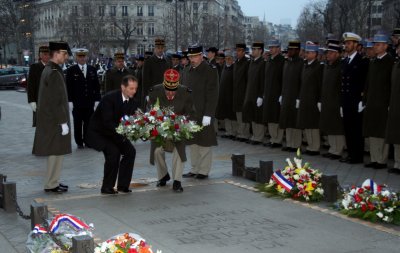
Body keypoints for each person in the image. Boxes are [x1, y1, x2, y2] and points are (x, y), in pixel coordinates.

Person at [86, 75, 139, 194]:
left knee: (130, 152)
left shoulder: (134, 102)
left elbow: (132, 120)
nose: (134, 91)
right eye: (131, 88)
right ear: (123, 87)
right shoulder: (109, 98)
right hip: (100, 133)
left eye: (135, 88)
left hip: (116, 133)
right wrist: (123, 132)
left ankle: (123, 185)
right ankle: (107, 187)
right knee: (113, 153)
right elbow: (107, 122)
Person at [33, 41, 72, 193]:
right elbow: (56, 101)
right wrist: (63, 122)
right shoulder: (53, 72)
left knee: (57, 152)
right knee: (55, 153)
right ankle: (50, 184)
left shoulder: (51, 69)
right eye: (64, 53)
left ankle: (53, 181)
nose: (66, 56)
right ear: (56, 53)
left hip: (51, 119)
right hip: (55, 120)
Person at [148, 69, 194, 192]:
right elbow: (150, 111)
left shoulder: (186, 92)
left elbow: (190, 113)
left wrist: (183, 121)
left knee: (179, 152)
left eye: (173, 91)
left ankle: (177, 181)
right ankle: (163, 175)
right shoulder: (154, 91)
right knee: (157, 151)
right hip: (161, 128)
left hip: (178, 128)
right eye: (167, 90)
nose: (170, 94)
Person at [181, 45, 219, 179]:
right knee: (192, 142)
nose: (192, 59)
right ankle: (194, 168)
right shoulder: (186, 70)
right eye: (190, 56)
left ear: (201, 56)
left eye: (195, 56)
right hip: (190, 113)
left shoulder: (209, 70)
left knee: (204, 142)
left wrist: (209, 114)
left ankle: (203, 170)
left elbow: (212, 94)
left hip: (203, 112)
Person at [362, 34, 394, 169]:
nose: (375, 46)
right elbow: (368, 82)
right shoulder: (373, 61)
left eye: (378, 44)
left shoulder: (390, 61)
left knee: (381, 132)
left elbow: (391, 84)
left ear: (386, 46)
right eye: (375, 44)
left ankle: (382, 160)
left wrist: (389, 103)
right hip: (372, 101)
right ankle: (374, 158)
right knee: (373, 131)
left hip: (383, 102)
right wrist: (364, 99)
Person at [340, 32, 369, 164]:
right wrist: (342, 103)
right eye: (346, 43)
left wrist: (362, 100)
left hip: (356, 100)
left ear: (356, 45)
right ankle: (351, 154)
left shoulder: (362, 61)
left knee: (356, 130)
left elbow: (365, 82)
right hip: (346, 100)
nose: (346, 45)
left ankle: (357, 156)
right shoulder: (345, 60)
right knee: (348, 129)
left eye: (349, 43)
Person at [66, 49, 101, 149]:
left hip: (89, 102)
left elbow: (96, 86)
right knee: (77, 123)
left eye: (83, 56)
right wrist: (70, 101)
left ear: (87, 57)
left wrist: (97, 99)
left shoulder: (92, 69)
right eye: (80, 56)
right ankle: (79, 142)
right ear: (76, 58)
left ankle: (88, 141)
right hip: (77, 103)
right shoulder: (71, 70)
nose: (82, 58)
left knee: (89, 123)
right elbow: (68, 87)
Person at [319, 41, 346, 159]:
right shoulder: (328, 66)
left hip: (336, 100)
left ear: (337, 54)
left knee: (337, 127)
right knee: (329, 125)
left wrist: (341, 103)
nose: (328, 55)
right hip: (327, 99)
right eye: (327, 52)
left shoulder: (341, 66)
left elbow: (342, 86)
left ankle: (338, 150)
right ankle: (332, 148)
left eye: (331, 53)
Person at [297, 42, 323, 155]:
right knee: (307, 123)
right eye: (306, 52)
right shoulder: (305, 65)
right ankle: (310, 145)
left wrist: (319, 100)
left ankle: (315, 147)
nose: (306, 54)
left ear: (315, 54)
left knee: (313, 124)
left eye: (308, 52)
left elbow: (320, 84)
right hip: (305, 98)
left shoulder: (318, 67)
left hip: (313, 99)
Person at [279, 41, 304, 152]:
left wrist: (299, 97)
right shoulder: (287, 62)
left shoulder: (301, 63)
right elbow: (283, 80)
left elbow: (302, 82)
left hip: (295, 96)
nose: (289, 51)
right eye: (289, 49)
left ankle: (296, 145)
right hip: (286, 95)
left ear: (298, 51)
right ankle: (289, 143)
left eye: (292, 49)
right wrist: (282, 94)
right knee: (287, 120)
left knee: (295, 122)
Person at [262, 39, 285, 148]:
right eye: (270, 47)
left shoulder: (282, 61)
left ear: (278, 48)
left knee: (276, 117)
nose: (270, 49)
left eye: (273, 47)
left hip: (277, 93)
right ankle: (273, 138)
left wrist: (282, 93)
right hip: (269, 93)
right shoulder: (269, 61)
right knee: (270, 117)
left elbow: (283, 79)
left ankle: (278, 140)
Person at [242, 42, 266, 145]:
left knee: (258, 116)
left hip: (257, 93)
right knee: (252, 114)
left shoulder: (263, 63)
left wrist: (261, 95)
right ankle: (255, 135)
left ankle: (259, 137)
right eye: (252, 49)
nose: (253, 51)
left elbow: (263, 80)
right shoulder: (252, 62)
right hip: (250, 92)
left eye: (255, 49)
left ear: (260, 50)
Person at [142, 38, 171, 106]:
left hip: (165, 93)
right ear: (155, 48)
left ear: (164, 48)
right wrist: (147, 95)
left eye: (162, 48)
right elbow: (145, 80)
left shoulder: (168, 60)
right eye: (158, 48)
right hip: (153, 93)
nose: (160, 50)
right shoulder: (149, 61)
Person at [27, 45, 50, 128]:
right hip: (39, 100)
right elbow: (30, 85)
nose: (47, 56)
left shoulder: (53, 67)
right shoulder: (34, 67)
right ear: (40, 56)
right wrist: (32, 101)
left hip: (51, 101)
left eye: (48, 54)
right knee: (41, 126)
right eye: (44, 54)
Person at [216, 50, 237, 138]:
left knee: (232, 116)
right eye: (226, 58)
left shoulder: (234, 68)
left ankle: (234, 132)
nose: (228, 60)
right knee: (226, 115)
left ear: (233, 60)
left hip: (231, 95)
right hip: (224, 95)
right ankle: (228, 132)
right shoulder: (224, 67)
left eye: (230, 59)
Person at [386, 43, 400, 174]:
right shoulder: (396, 64)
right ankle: (397, 163)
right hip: (395, 103)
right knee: (396, 136)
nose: (398, 50)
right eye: (398, 48)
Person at [232, 43, 250, 141]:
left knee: (244, 115)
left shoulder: (246, 63)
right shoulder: (237, 63)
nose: (237, 52)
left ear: (244, 52)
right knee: (238, 114)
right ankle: (240, 132)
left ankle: (245, 134)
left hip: (243, 93)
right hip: (236, 93)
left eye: (239, 51)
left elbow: (247, 79)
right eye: (236, 50)